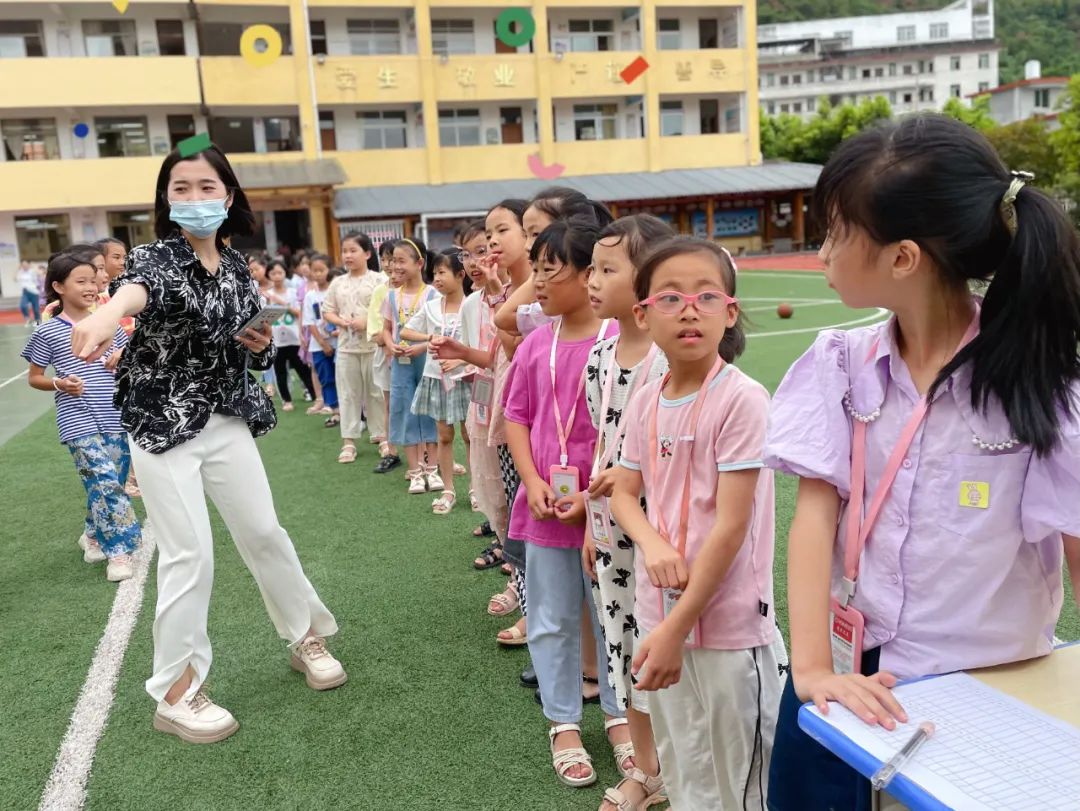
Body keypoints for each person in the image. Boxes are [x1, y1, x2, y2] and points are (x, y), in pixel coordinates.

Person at [763, 114, 1080, 811]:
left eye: (835, 233)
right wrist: (812, 667)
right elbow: (814, 517)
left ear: (902, 257)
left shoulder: (1040, 386)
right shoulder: (840, 364)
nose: (821, 254)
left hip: (995, 688)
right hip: (856, 671)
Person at [70, 143, 344, 745]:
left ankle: (303, 636)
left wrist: (256, 342)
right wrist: (104, 315)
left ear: (228, 195)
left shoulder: (238, 264)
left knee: (265, 531)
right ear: (167, 198)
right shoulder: (155, 257)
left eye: (206, 187)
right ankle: (176, 691)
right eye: (181, 188)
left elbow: (258, 342)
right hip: (162, 425)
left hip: (225, 417)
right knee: (190, 553)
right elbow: (135, 291)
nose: (194, 199)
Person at [610, 237, 780, 810]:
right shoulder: (647, 398)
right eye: (671, 297)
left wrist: (676, 630)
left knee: (747, 781)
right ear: (642, 314)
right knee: (686, 768)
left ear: (728, 312)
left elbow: (732, 527)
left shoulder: (743, 400)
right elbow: (624, 494)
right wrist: (653, 544)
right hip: (661, 622)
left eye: (706, 297)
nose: (689, 309)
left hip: (729, 629)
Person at [502, 218, 631, 788]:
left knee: (613, 617)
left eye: (549, 271)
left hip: (606, 510)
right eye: (535, 271)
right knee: (552, 618)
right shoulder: (536, 343)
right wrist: (531, 481)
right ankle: (564, 723)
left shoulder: (620, 343)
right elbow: (517, 418)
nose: (538, 284)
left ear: (589, 277)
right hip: (545, 509)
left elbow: (630, 432)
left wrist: (591, 497)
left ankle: (620, 715)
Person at [582, 215, 674, 811]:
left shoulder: (668, 359)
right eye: (591, 266)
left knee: (664, 649)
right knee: (622, 649)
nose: (592, 280)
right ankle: (648, 772)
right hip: (610, 534)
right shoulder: (603, 349)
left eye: (606, 269)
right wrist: (592, 526)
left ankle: (682, 762)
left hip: (661, 539)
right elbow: (599, 436)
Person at [21, 249, 140, 582]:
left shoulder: (108, 322)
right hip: (77, 419)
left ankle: (91, 533)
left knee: (107, 483)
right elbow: (35, 376)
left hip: (115, 413)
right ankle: (119, 552)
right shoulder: (47, 332)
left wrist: (122, 354)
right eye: (82, 281)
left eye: (93, 280)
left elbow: (124, 359)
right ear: (59, 286)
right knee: (104, 481)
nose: (92, 286)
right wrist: (59, 382)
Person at [400, 250, 473, 514]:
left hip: (465, 378)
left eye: (443, 272)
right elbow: (405, 331)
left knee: (470, 435)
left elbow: (479, 342)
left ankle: (475, 489)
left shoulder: (473, 304)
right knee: (444, 436)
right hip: (436, 378)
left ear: (460, 275)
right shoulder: (431, 307)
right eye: (435, 273)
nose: (437, 278)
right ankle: (449, 490)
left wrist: (461, 360)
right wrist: (429, 338)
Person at [322, 232, 387, 465]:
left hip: (374, 346)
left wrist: (367, 323)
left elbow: (387, 312)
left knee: (376, 393)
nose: (348, 255)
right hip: (347, 347)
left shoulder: (380, 280)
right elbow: (327, 310)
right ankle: (348, 441)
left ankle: (381, 437)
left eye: (353, 250)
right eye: (345, 251)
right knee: (348, 394)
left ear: (367, 253)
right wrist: (341, 322)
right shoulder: (338, 282)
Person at [381, 238, 440, 494]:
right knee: (404, 409)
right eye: (394, 261)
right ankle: (415, 472)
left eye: (401, 261)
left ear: (419, 263)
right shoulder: (391, 296)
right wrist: (389, 345)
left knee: (430, 409)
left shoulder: (433, 294)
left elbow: (440, 332)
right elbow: (386, 329)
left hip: (426, 359)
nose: (396, 266)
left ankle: (433, 468)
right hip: (401, 361)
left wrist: (421, 347)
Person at [266, 260, 316, 412]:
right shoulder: (266, 295)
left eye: (280, 272)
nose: (277, 276)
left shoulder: (293, 293)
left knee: (303, 368)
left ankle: (314, 395)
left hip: (294, 337)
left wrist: (282, 304)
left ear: (285, 273)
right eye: (273, 273)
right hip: (276, 340)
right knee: (280, 371)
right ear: (269, 275)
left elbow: (300, 313)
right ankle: (287, 400)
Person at [368, 243, 400, 473]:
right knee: (390, 404)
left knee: (420, 406)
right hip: (388, 355)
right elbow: (375, 331)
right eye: (386, 259)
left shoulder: (422, 290)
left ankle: (429, 453)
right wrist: (390, 341)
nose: (390, 264)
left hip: (414, 354)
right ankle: (392, 450)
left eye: (396, 259)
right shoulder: (380, 291)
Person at [302, 254, 339, 426]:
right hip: (319, 344)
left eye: (321, 270)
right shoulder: (310, 296)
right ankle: (333, 408)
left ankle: (345, 411)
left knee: (341, 377)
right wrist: (323, 343)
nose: (317, 274)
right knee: (326, 377)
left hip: (339, 341)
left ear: (329, 270)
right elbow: (309, 323)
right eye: (314, 270)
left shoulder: (336, 291)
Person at [17, 259, 42, 325]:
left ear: (28, 264)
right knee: (23, 306)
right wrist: (18, 269)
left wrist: (33, 266)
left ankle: (37, 322)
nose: (24, 266)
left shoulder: (32, 271)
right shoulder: (21, 272)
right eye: (23, 265)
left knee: (36, 310)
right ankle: (27, 318)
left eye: (25, 264)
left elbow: (40, 273)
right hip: (25, 291)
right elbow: (14, 278)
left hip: (34, 292)